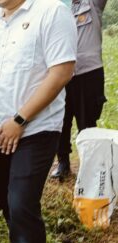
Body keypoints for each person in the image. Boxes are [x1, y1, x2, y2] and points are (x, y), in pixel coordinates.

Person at [0, 0, 77, 243]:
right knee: (6, 202)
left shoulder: (50, 11)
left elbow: (61, 72)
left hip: (36, 129)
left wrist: (20, 120)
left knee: (21, 202)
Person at [51, 0, 108, 180]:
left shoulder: (92, 4)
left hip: (89, 73)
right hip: (63, 74)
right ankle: (63, 163)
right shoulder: (59, 9)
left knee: (87, 121)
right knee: (61, 120)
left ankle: (90, 165)